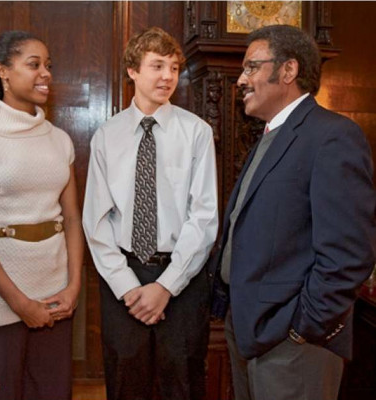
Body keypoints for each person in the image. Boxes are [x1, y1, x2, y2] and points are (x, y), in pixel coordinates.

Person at [209, 25, 376, 400]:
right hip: (251, 331)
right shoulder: (271, 136)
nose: (241, 80)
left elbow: (349, 254)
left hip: (292, 344)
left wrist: (303, 328)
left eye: (251, 67)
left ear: (288, 71)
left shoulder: (333, 136)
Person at [83, 27, 218, 400]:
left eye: (174, 68)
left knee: (183, 383)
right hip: (123, 278)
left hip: (183, 276)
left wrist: (166, 286)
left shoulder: (197, 132)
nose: (167, 76)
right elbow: (96, 221)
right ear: (132, 71)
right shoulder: (106, 136)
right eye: (157, 66)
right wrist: (129, 288)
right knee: (126, 382)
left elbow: (203, 217)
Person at [0, 30, 84, 400]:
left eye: (48, 65)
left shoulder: (59, 139)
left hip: (56, 295)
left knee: (52, 392)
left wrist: (74, 285)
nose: (45, 73)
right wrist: (18, 302)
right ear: (2, 71)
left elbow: (73, 220)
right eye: (34, 65)